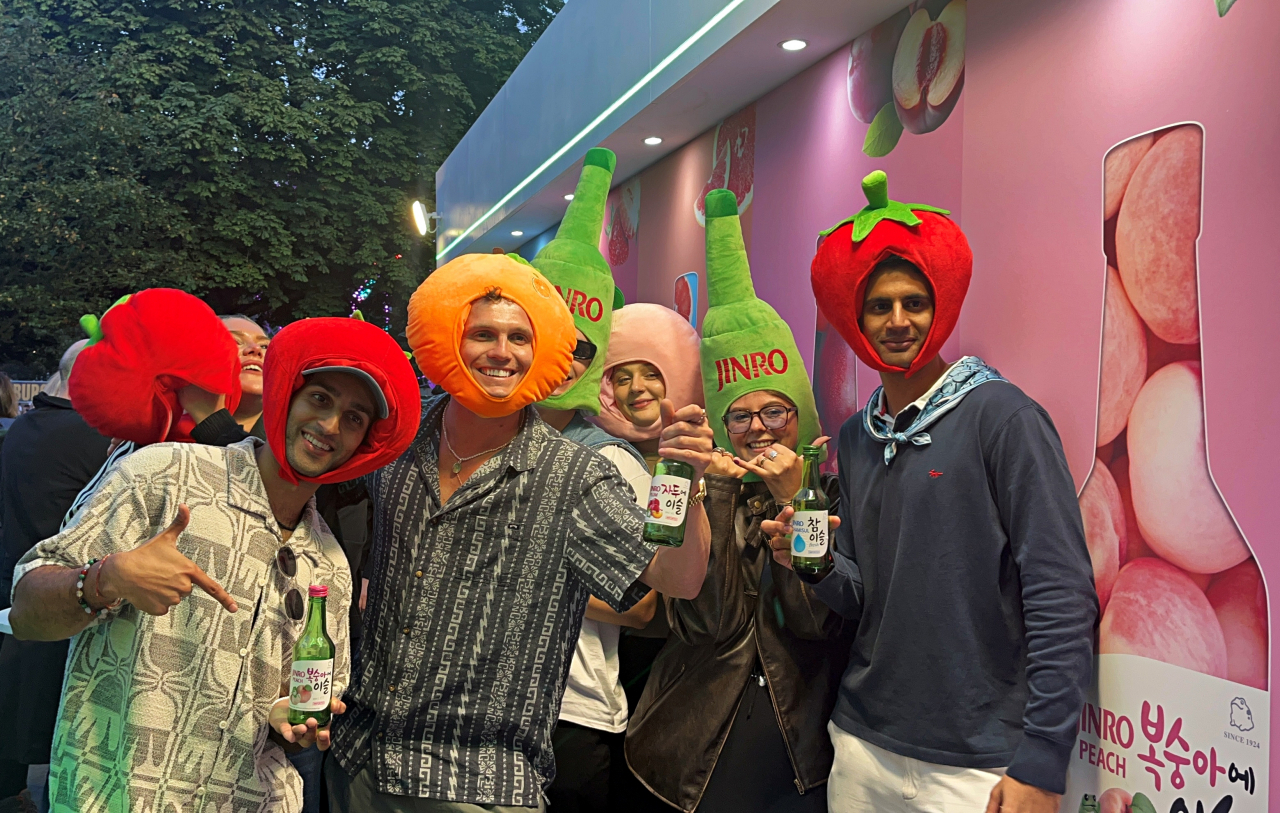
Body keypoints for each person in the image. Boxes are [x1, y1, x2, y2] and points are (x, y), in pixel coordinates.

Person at [326, 252, 715, 812]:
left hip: (478, 783)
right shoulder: (396, 443)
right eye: (482, 333)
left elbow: (677, 581)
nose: (501, 352)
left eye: (519, 337)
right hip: (358, 763)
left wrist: (689, 484)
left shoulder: (576, 475)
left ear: (541, 354)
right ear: (451, 342)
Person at [761, 171, 1097, 813]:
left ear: (939, 307)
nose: (897, 322)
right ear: (856, 320)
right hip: (863, 744)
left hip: (980, 766)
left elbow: (1062, 595)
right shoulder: (858, 437)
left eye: (913, 302)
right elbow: (863, 598)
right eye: (879, 306)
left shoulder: (1004, 419)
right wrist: (817, 565)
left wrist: (1043, 761)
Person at [8, 317, 421, 813]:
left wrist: (289, 720)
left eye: (354, 418)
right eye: (320, 399)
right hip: (119, 795)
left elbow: (297, 719)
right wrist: (104, 579)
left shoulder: (328, 563)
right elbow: (27, 613)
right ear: (286, 395)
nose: (331, 425)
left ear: (364, 442)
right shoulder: (161, 475)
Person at [625, 189, 851, 813]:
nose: (758, 428)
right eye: (741, 415)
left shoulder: (829, 494)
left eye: (773, 410)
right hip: (687, 748)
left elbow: (816, 623)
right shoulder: (696, 489)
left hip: (795, 750)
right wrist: (717, 490)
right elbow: (704, 621)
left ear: (797, 415)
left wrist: (795, 497)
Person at [526, 149, 658, 813]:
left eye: (578, 344)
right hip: (478, 713)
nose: (557, 355)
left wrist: (528, 580)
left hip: (572, 713)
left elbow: (641, 604)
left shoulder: (610, 459)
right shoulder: (473, 439)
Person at [0, 340, 109, 810]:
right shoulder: (90, 436)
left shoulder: (23, 427)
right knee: (65, 760)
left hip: (20, 606)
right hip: (65, 612)